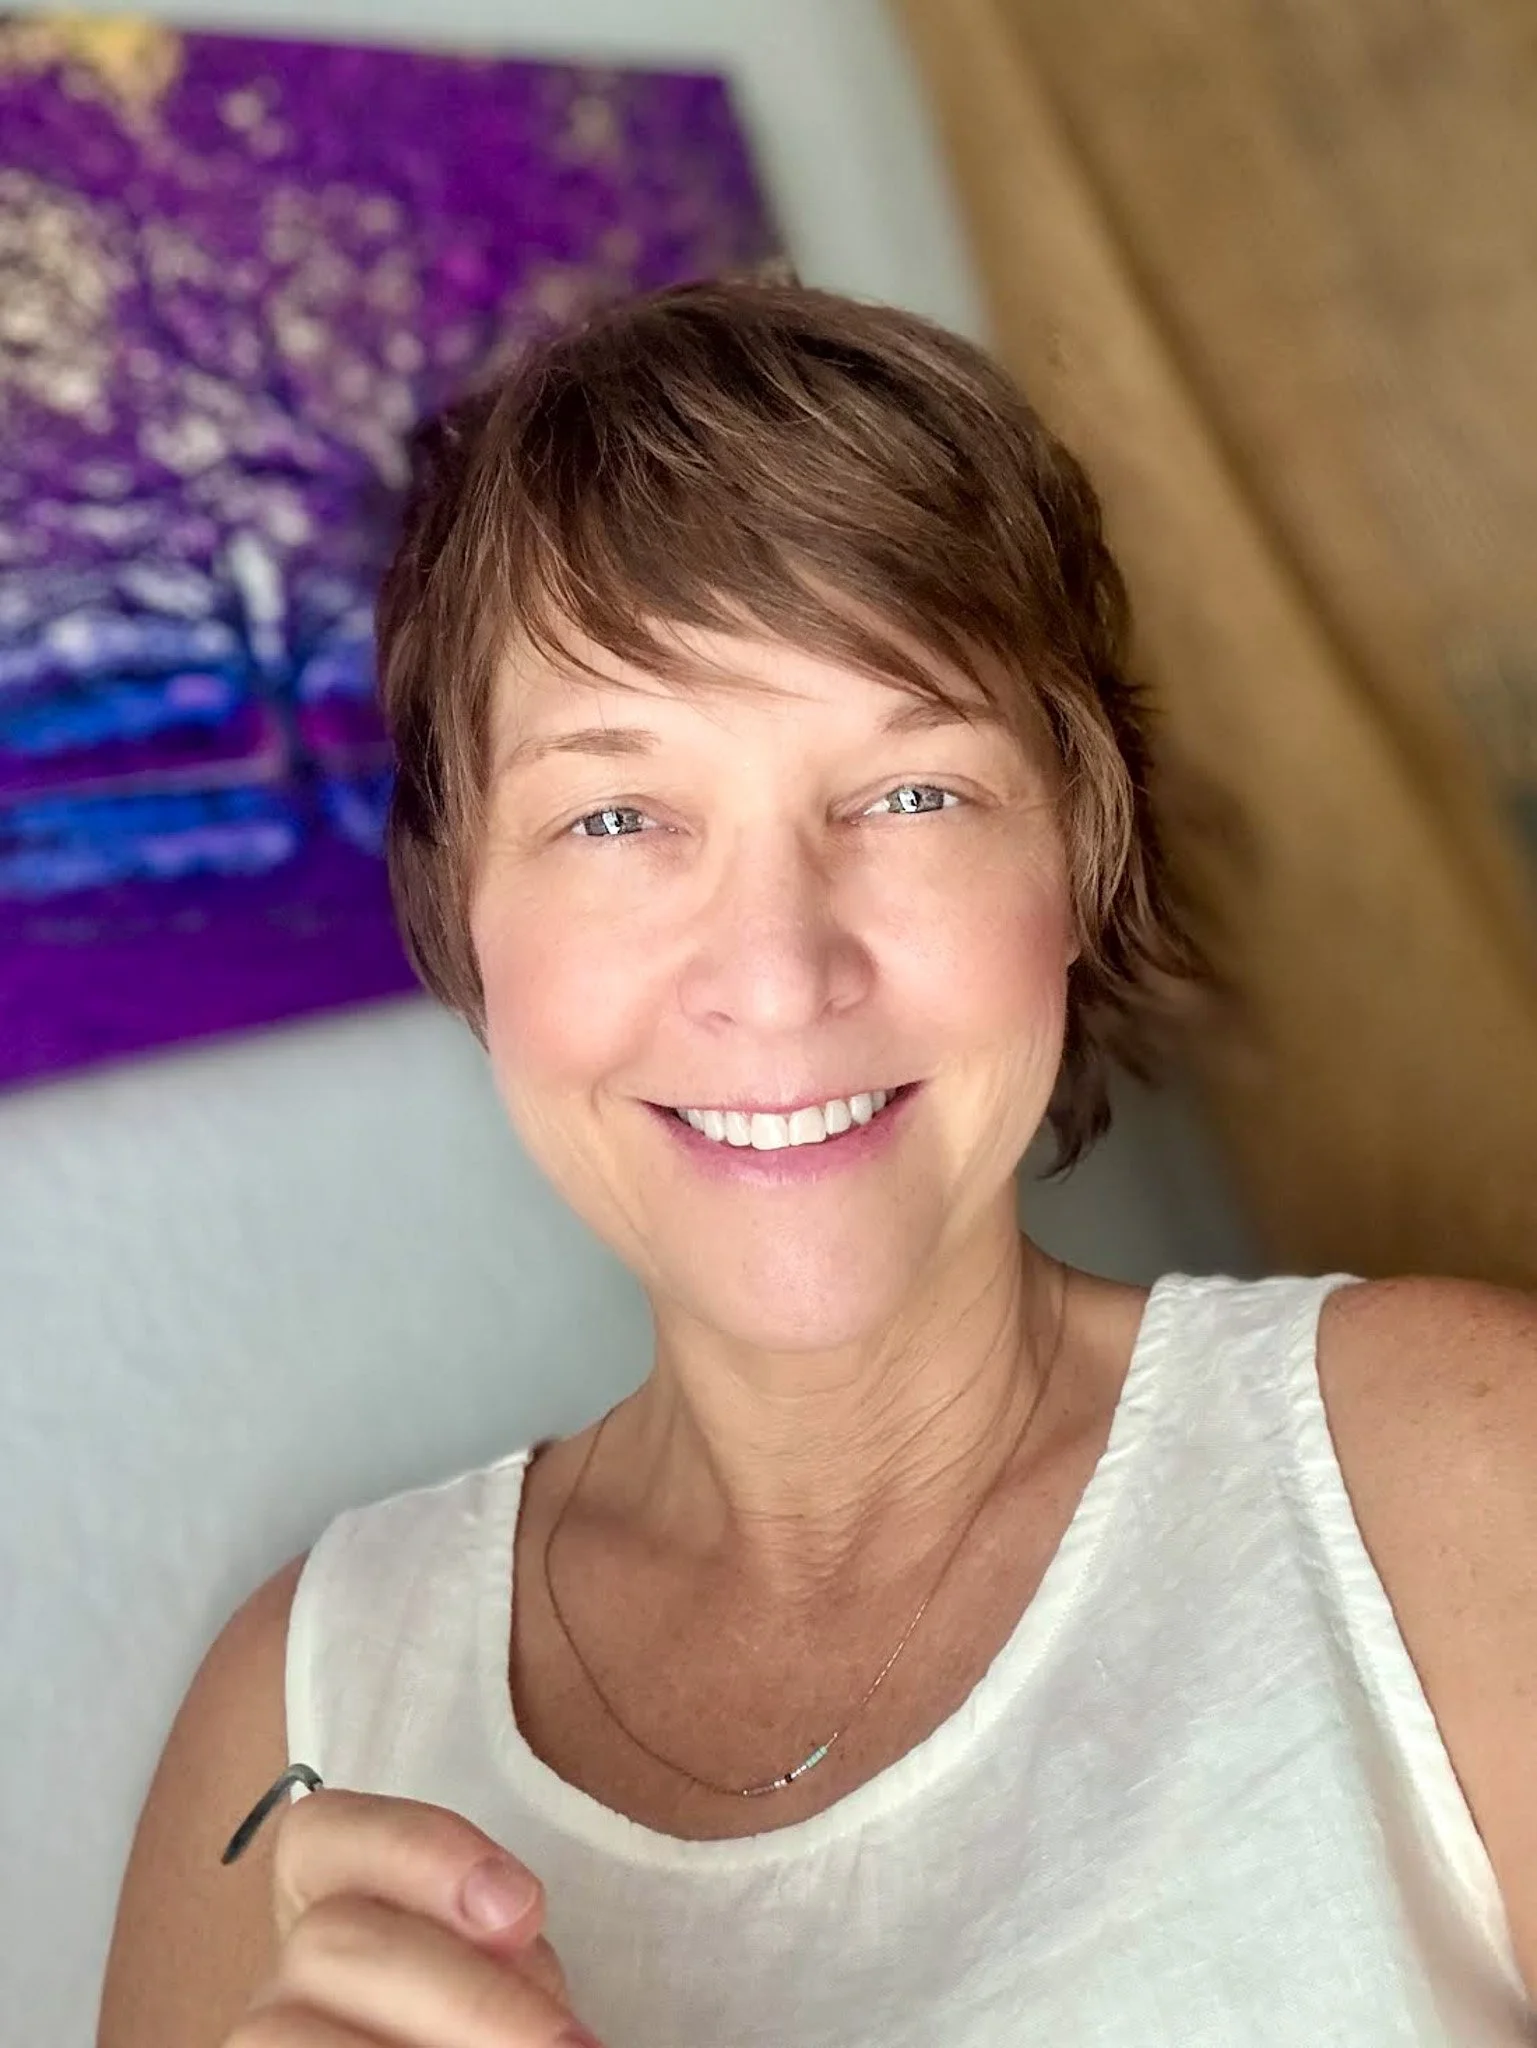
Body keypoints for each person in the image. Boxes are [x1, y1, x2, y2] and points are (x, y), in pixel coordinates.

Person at [98, 277, 1537, 2048]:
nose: (779, 973)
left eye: (911, 794)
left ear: (1080, 854)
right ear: (465, 913)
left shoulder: (1462, 1482)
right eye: (618, 816)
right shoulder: (295, 1712)